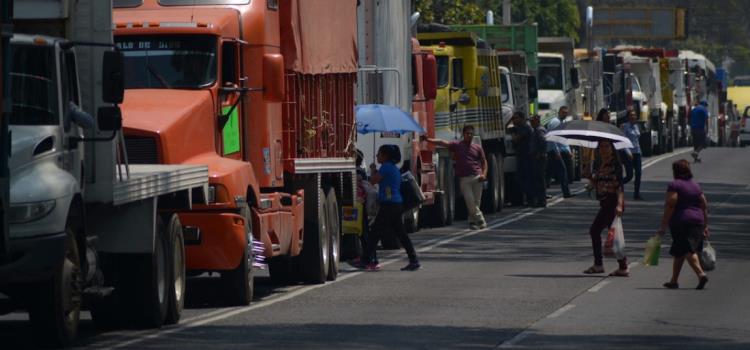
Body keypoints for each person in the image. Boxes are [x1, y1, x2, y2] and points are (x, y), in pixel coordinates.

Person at [360, 145, 420, 271]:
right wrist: (374, 171)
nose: (377, 156)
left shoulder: (386, 167)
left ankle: (366, 260)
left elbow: (373, 180)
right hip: (396, 204)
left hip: (389, 205)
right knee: (401, 234)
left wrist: (365, 176)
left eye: (379, 154)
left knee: (375, 233)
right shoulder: (392, 167)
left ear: (385, 156)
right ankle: (414, 260)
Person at [421, 125, 488, 229]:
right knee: (470, 201)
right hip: (465, 179)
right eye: (467, 133)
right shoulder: (457, 145)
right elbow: (442, 142)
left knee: (476, 202)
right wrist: (428, 139)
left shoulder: (477, 147)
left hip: (477, 177)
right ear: (463, 134)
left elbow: (484, 161)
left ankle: (472, 222)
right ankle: (480, 219)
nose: (469, 135)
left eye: (471, 133)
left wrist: (484, 174)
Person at [656, 159, 709, 290]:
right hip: (698, 221)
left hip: (681, 222)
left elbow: (671, 204)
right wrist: (705, 225)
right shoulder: (696, 185)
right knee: (679, 252)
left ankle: (701, 274)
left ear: (675, 171)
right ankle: (674, 281)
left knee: (687, 249)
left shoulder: (675, 185)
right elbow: (704, 204)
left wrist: (663, 225)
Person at [583, 140, 629, 277]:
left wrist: (620, 205)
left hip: (612, 203)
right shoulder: (599, 163)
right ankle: (621, 266)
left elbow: (619, 186)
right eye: (601, 147)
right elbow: (597, 183)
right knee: (613, 235)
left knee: (596, 231)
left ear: (612, 148)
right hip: (604, 202)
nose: (603, 149)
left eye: (606, 146)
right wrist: (589, 176)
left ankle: (601, 265)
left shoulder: (615, 165)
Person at [546, 106, 573, 198]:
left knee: (548, 173)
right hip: (554, 152)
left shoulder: (562, 122)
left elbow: (563, 139)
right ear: (559, 112)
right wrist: (557, 152)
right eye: (563, 113)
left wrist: (568, 150)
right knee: (562, 172)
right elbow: (552, 138)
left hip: (558, 151)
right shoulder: (555, 122)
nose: (565, 114)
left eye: (566, 113)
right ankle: (566, 193)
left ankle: (541, 193)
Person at [510, 112, 535, 206]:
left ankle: (531, 199)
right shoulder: (517, 128)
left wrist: (514, 136)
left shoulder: (526, 127)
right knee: (521, 178)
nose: (514, 120)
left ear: (522, 118)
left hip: (527, 156)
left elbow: (516, 139)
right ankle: (525, 199)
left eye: (516, 118)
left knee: (527, 178)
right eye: (513, 118)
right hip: (520, 156)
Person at [622, 110, 644, 200]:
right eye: (631, 115)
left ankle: (636, 194)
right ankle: (617, 185)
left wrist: (640, 152)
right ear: (628, 117)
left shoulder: (637, 126)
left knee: (638, 173)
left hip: (637, 153)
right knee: (629, 175)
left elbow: (637, 140)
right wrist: (628, 152)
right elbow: (623, 141)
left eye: (634, 115)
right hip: (628, 154)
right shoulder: (624, 126)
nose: (633, 117)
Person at [529, 115, 548, 207]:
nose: (531, 123)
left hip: (539, 158)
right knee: (537, 180)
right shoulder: (536, 130)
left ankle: (542, 200)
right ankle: (540, 200)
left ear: (537, 121)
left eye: (532, 121)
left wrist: (540, 153)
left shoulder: (539, 130)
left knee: (540, 180)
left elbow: (544, 141)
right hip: (537, 157)